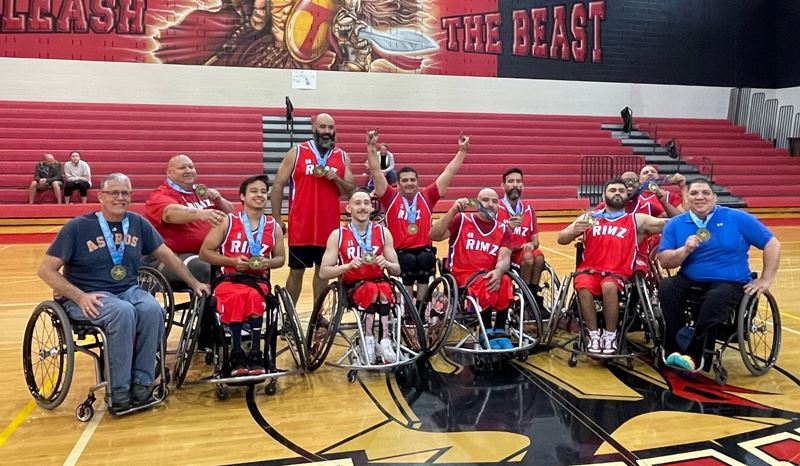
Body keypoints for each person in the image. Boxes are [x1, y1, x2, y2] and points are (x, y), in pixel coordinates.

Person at [37, 173, 209, 413]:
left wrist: (194, 282)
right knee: (123, 312)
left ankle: (142, 383)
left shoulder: (138, 223)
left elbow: (168, 256)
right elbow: (45, 270)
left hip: (126, 290)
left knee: (152, 310)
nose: (120, 197)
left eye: (125, 193)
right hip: (87, 295)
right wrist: (79, 296)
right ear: (101, 196)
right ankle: (118, 390)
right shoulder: (77, 227)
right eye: (114, 193)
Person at [657, 178, 780, 371]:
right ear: (686, 199)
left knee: (716, 297)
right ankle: (674, 349)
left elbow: (772, 244)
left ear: (715, 197)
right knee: (667, 287)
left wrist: (766, 279)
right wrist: (685, 250)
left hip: (730, 281)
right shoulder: (676, 224)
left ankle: (694, 355)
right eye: (694, 193)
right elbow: (665, 261)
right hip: (691, 279)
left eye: (705, 193)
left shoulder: (737, 217)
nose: (700, 197)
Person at [557, 178, 666, 355]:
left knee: (608, 286)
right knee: (582, 285)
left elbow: (666, 224)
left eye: (621, 191)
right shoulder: (590, 218)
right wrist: (574, 230)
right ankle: (593, 334)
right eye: (612, 190)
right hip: (590, 270)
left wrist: (693, 216)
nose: (617, 193)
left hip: (618, 272)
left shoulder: (636, 220)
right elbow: (561, 238)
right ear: (604, 195)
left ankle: (610, 334)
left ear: (627, 196)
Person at [367, 130, 469, 302]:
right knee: (407, 263)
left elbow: (448, 173)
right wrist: (371, 146)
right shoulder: (389, 196)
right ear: (397, 183)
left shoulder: (427, 196)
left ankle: (421, 307)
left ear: (417, 182)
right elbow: (376, 171)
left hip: (424, 250)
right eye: (405, 180)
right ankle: (408, 307)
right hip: (399, 252)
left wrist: (462, 151)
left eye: (412, 180)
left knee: (425, 260)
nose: (409, 183)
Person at [200, 174, 285, 376]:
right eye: (254, 191)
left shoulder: (273, 226)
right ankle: (236, 353)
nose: (259, 195)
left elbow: (281, 259)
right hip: (229, 280)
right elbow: (204, 253)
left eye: (263, 192)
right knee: (236, 297)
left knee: (254, 296)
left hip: (257, 281)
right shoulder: (227, 221)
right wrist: (231, 261)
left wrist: (267, 262)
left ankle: (255, 353)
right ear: (242, 196)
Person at [271, 113, 356, 304]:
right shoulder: (297, 152)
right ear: (314, 128)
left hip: (329, 227)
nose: (327, 131)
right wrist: (276, 218)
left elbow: (351, 191)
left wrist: (336, 178)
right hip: (301, 226)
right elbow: (278, 184)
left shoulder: (342, 156)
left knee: (323, 272)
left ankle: (318, 317)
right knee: (296, 272)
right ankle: (290, 316)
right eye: (323, 127)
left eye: (331, 128)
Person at [319, 189, 401, 363]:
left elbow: (397, 270)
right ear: (348, 208)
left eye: (366, 203)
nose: (362, 207)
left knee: (382, 289)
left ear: (372, 208)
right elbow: (323, 272)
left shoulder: (383, 232)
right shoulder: (338, 235)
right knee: (373, 290)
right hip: (353, 287)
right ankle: (368, 338)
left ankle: (385, 340)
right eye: (357, 203)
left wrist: (387, 264)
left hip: (380, 284)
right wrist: (347, 266)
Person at [429, 188, 515, 349]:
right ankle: (486, 331)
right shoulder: (461, 220)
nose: (490, 204)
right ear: (477, 203)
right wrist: (452, 211)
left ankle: (500, 330)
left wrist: (498, 271)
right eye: (486, 200)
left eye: (494, 201)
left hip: (489, 273)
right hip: (462, 275)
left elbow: (504, 258)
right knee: (484, 281)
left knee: (505, 280)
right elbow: (434, 235)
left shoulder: (503, 229)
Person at [144, 154, 234, 284]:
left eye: (191, 167)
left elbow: (231, 213)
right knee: (205, 268)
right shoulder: (160, 194)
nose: (188, 171)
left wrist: (218, 200)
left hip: (209, 252)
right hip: (173, 256)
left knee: (241, 263)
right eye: (182, 168)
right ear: (169, 173)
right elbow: (169, 213)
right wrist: (199, 214)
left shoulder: (201, 191)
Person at [495, 168, 546, 308]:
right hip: (503, 255)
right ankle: (526, 297)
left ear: (523, 185)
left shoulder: (529, 209)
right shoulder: (496, 207)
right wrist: (507, 229)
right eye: (511, 181)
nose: (515, 185)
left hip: (522, 254)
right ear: (503, 186)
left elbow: (536, 241)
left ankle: (532, 296)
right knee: (529, 257)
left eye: (518, 181)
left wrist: (531, 244)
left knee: (539, 257)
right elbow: (490, 238)